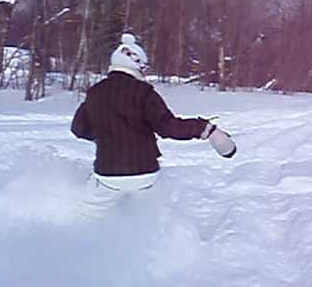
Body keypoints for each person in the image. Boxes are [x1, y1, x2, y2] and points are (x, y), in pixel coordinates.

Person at [71, 33, 236, 214]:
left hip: (108, 174)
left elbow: (79, 128)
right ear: (137, 64)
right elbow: (169, 127)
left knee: (86, 216)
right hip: (146, 174)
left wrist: (105, 135)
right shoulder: (144, 92)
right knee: (145, 217)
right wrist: (206, 129)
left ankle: (85, 237)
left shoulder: (95, 93)